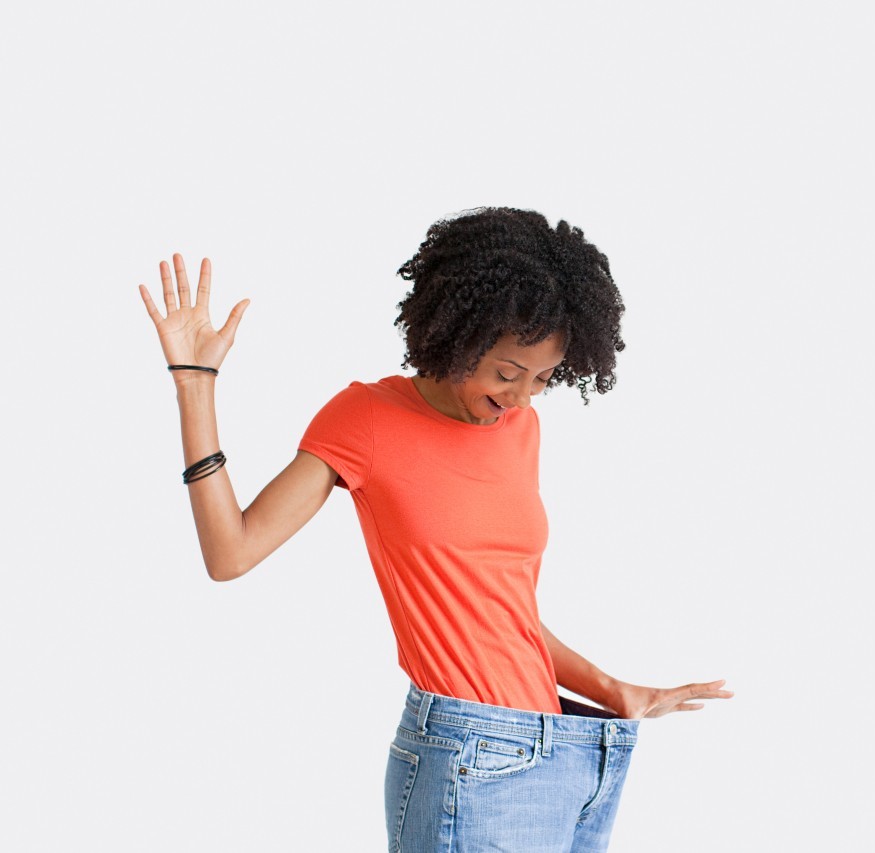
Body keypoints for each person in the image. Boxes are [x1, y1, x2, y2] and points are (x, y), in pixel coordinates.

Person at [138, 206, 732, 852]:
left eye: (542, 378)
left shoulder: (522, 430)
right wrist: (195, 385)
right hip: (469, 757)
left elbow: (502, 613)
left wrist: (611, 688)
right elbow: (231, 552)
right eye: (507, 373)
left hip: (568, 749)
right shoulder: (365, 418)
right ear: (461, 335)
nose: (522, 397)